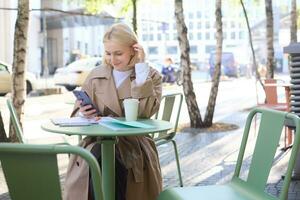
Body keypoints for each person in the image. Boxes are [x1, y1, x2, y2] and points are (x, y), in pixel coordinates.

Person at [64, 23, 163, 200]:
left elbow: (147, 112)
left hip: (135, 145)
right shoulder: (95, 75)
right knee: (97, 158)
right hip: (96, 141)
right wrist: (83, 112)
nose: (112, 59)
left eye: (118, 53)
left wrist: (141, 70)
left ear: (134, 49)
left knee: (114, 162)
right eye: (108, 53)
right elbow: (76, 113)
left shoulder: (149, 75)